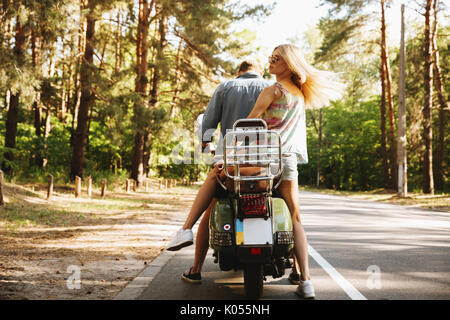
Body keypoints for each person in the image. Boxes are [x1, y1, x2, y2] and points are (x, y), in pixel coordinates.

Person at [170, 44, 344, 299]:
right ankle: (306, 281)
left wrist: (226, 155)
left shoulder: (273, 90)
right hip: (286, 163)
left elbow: (247, 127)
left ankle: (185, 230)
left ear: (288, 63)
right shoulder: (299, 94)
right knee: (296, 218)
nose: (270, 61)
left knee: (214, 175)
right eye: (270, 58)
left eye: (276, 58)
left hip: (260, 162)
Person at [166, 60, 270, 251]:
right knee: (290, 207)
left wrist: (207, 144)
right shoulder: (270, 88)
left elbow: (207, 124)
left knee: (210, 208)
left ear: (239, 71)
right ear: (260, 72)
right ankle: (298, 269)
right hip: (265, 165)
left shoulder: (226, 87)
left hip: (231, 164)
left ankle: (193, 259)